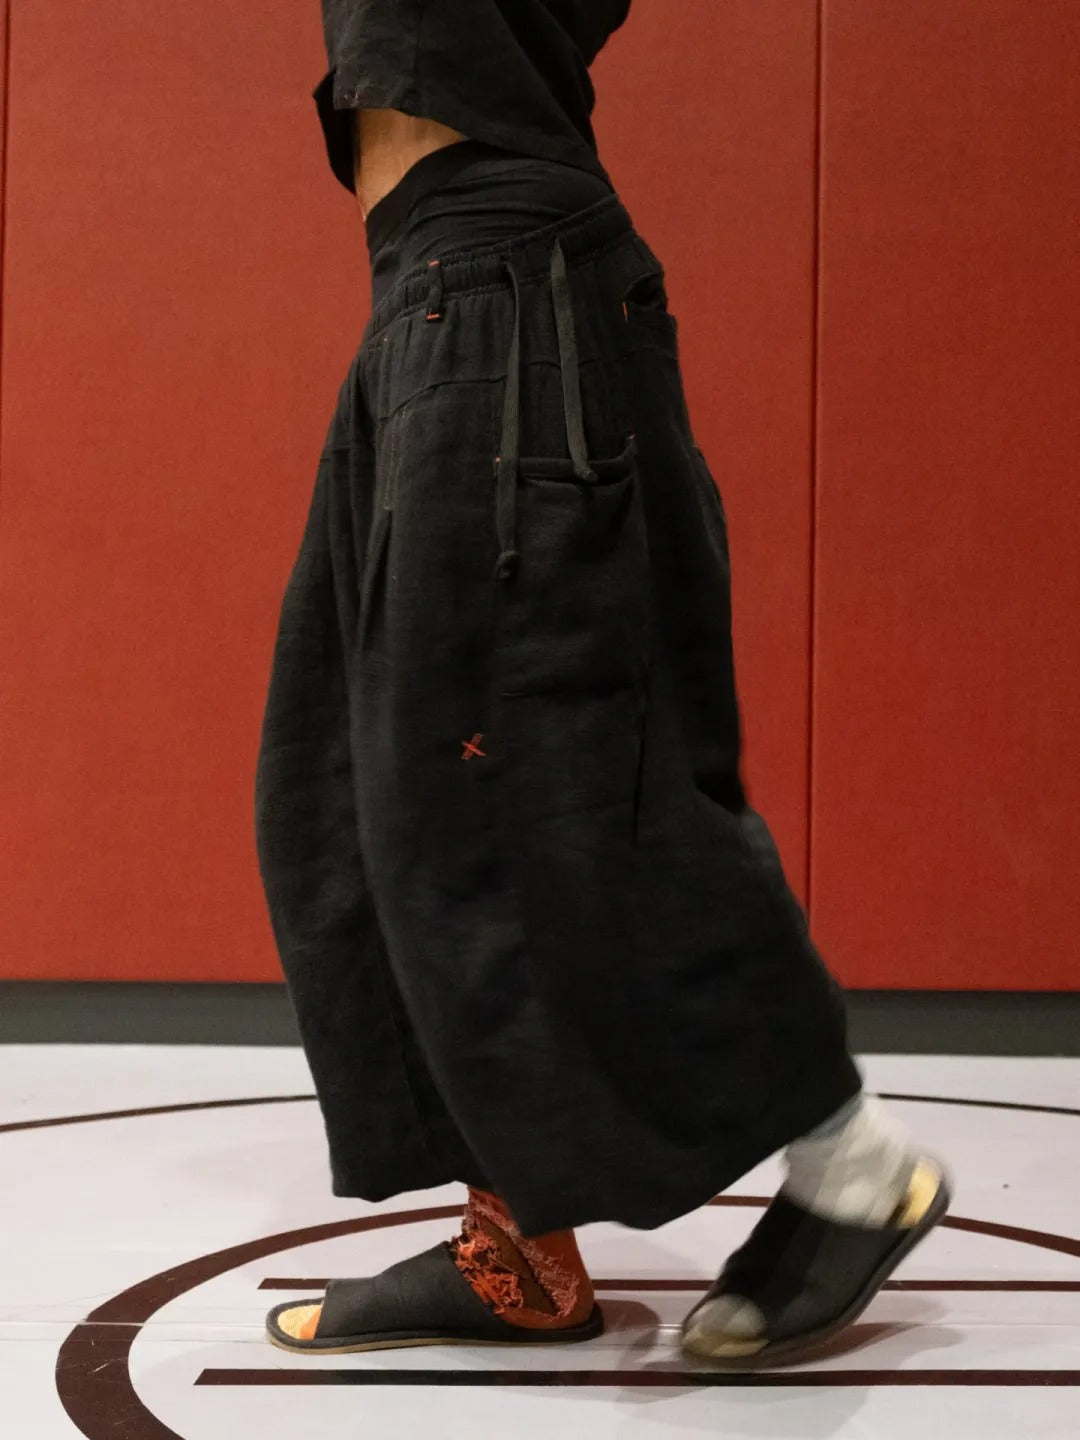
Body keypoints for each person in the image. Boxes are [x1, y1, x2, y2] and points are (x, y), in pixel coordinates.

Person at [254, 1, 950, 1369]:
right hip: (439, 300)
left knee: (563, 782)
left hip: (503, 301)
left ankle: (851, 1165)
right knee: (351, 794)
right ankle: (519, 1250)